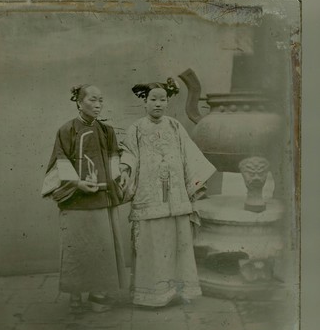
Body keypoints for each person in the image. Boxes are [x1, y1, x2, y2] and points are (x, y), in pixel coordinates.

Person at [119, 78, 216, 307]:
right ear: (145, 101)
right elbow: (129, 153)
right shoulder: (136, 128)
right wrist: (125, 170)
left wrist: (196, 184)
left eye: (163, 100)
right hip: (149, 194)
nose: (158, 104)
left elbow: (188, 154)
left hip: (176, 195)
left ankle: (178, 290)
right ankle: (151, 294)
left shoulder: (174, 126)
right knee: (153, 243)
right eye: (153, 99)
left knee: (177, 242)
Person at [41, 84, 126, 313]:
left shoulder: (107, 131)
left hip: (101, 197)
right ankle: (75, 294)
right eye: (93, 100)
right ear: (79, 102)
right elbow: (60, 160)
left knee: (100, 247)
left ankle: (97, 294)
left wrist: (118, 175)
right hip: (75, 200)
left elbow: (113, 158)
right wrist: (77, 183)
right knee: (77, 248)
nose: (98, 105)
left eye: (101, 100)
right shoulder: (67, 130)